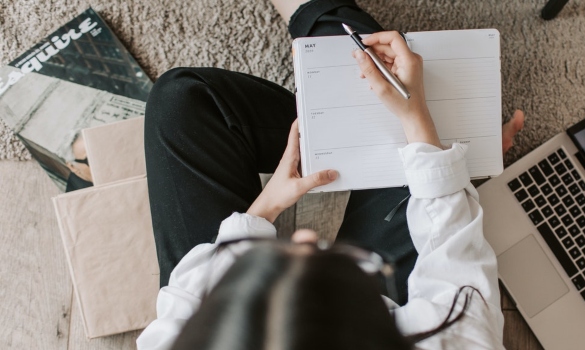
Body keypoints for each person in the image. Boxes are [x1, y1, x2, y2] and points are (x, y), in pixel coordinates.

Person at [136, 0, 525, 349]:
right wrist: (417, 118)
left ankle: (332, 64)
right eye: (319, 269)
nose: (303, 236)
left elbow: (188, 299)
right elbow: (456, 265)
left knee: (180, 101)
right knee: (418, 142)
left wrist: (266, 207)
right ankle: (316, 12)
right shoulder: (458, 338)